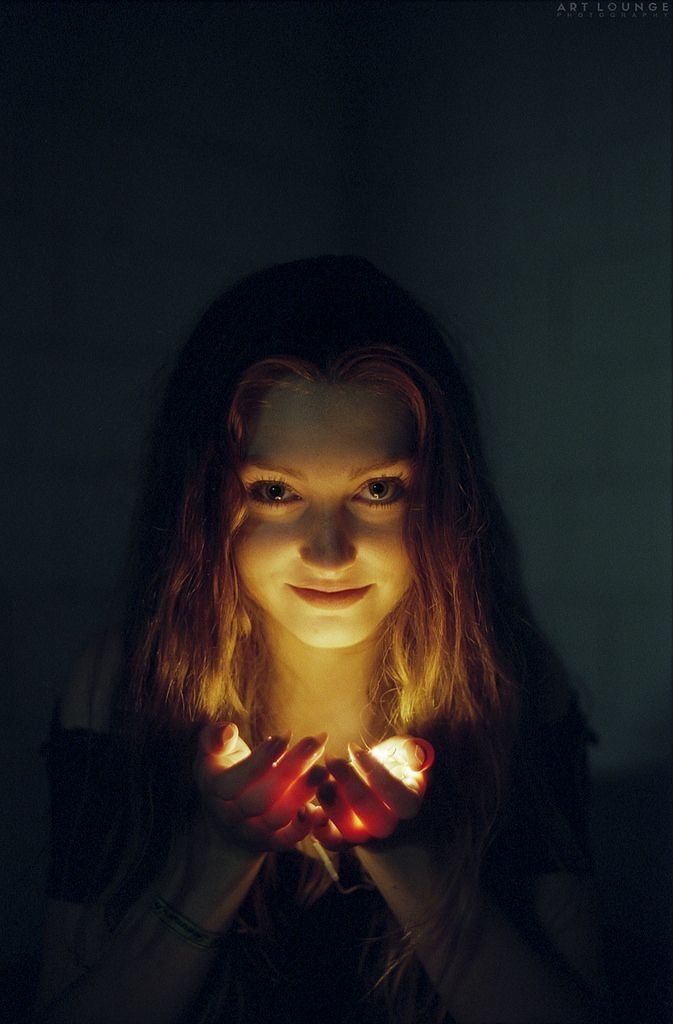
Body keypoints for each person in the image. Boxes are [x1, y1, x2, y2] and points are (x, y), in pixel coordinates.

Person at [34, 256, 609, 1024]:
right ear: (205, 505)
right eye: (275, 493)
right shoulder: (123, 685)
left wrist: (417, 869)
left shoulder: (510, 681)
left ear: (440, 496)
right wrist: (217, 860)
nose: (331, 552)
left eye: (377, 490)